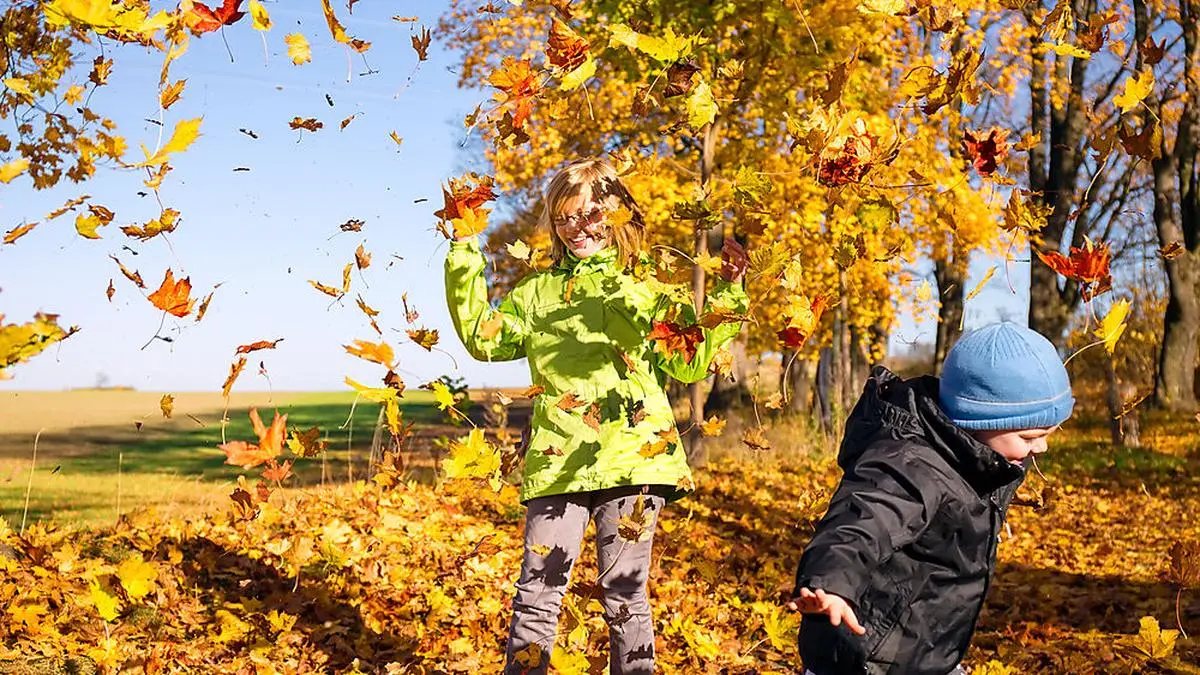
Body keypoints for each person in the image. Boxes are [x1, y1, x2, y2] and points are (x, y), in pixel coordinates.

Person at [444, 157, 749, 674]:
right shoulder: (536, 293)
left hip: (635, 459)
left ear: (616, 216)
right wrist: (463, 247)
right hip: (557, 461)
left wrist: (727, 294)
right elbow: (481, 338)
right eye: (564, 218)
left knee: (624, 593)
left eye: (588, 216)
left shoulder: (646, 289)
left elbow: (689, 359)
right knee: (536, 595)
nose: (575, 228)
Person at [788, 321, 1074, 675]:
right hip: (866, 655)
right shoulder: (911, 464)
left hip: (922, 648)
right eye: (1030, 435)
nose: (1040, 447)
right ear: (977, 419)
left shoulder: (974, 457)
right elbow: (860, 522)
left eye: (1049, 434)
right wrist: (830, 584)